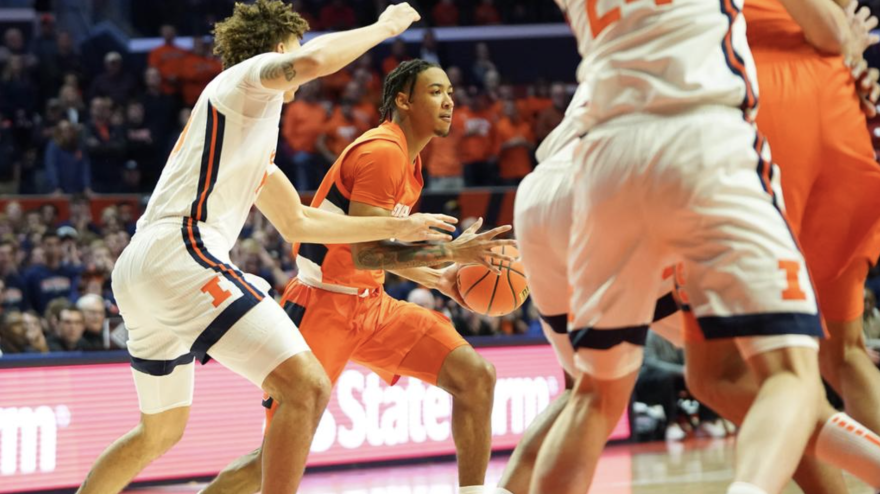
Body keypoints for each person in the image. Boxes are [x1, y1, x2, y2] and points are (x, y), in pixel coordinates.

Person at [74, 3, 470, 494]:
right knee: (306, 388)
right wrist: (385, 28)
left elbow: (298, 221)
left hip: (143, 265)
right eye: (295, 45)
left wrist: (401, 235)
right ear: (278, 46)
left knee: (160, 430)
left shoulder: (245, 131)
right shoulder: (244, 80)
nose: (300, 57)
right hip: (182, 252)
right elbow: (313, 63)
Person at [527, 1, 830, 493]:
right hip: (702, 136)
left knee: (595, 396)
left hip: (604, 158)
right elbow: (826, 28)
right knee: (792, 372)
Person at [203, 59, 515, 494]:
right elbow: (368, 252)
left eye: (450, 92)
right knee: (272, 460)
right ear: (403, 100)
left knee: (475, 377)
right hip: (321, 306)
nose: (449, 101)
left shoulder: (410, 161)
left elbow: (371, 254)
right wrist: (453, 251)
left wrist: (438, 277)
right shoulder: (382, 152)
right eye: (435, 91)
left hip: (371, 304)